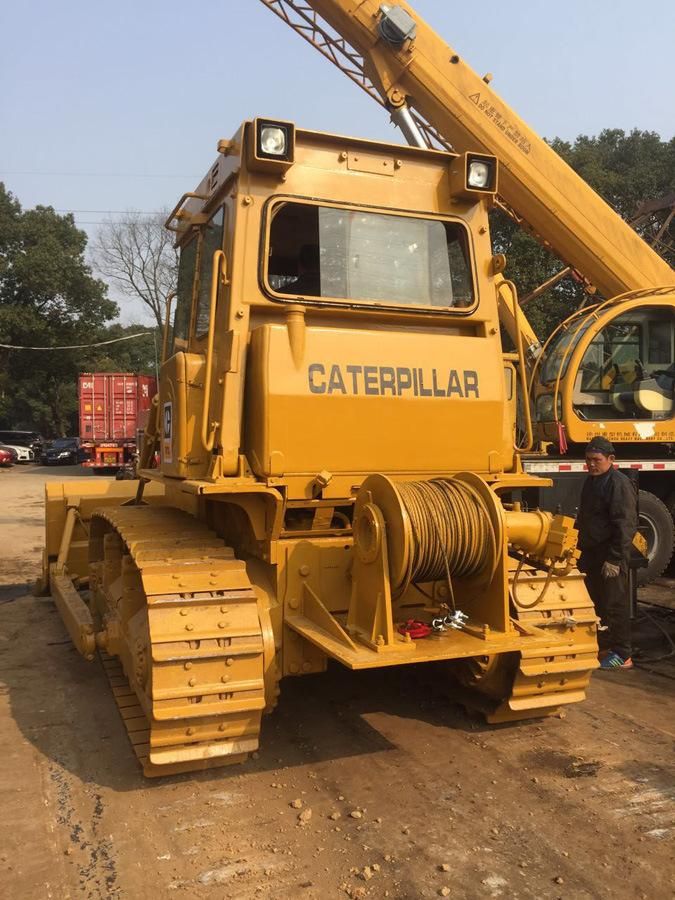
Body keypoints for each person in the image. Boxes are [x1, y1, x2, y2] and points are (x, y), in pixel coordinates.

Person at [576, 437, 638, 669]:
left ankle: (623, 654)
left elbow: (625, 524)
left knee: (615, 604)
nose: (591, 464)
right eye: (588, 460)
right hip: (592, 554)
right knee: (596, 602)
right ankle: (603, 647)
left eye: (596, 460)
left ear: (611, 459)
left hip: (610, 554)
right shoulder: (591, 482)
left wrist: (614, 558)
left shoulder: (618, 484)